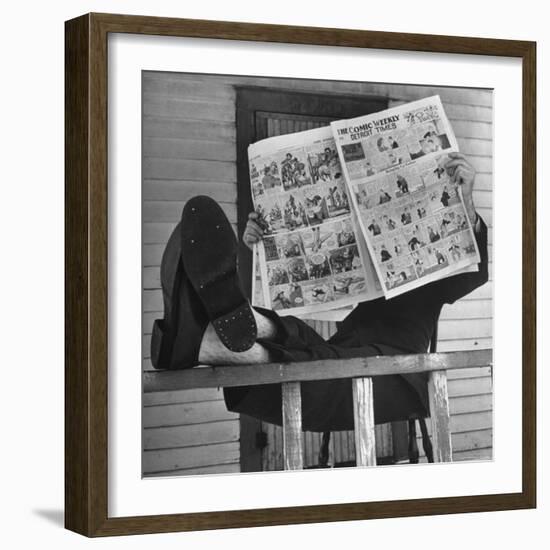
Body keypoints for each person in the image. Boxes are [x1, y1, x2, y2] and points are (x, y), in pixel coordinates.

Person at [151, 152, 488, 432]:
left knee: (325, 368)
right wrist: (267, 242)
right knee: (299, 334)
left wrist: (466, 205)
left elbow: (473, 274)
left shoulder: (440, 271)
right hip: (347, 345)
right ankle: (226, 324)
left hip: (400, 368)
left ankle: (198, 341)